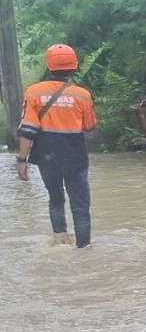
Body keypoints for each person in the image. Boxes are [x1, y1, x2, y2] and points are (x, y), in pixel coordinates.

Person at [15, 44, 97, 248]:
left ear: (48, 66)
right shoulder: (82, 95)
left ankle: (61, 244)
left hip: (47, 157)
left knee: (55, 199)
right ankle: (84, 250)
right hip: (76, 158)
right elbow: (89, 125)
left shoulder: (33, 92)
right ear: (74, 67)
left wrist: (21, 160)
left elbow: (28, 130)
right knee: (80, 206)